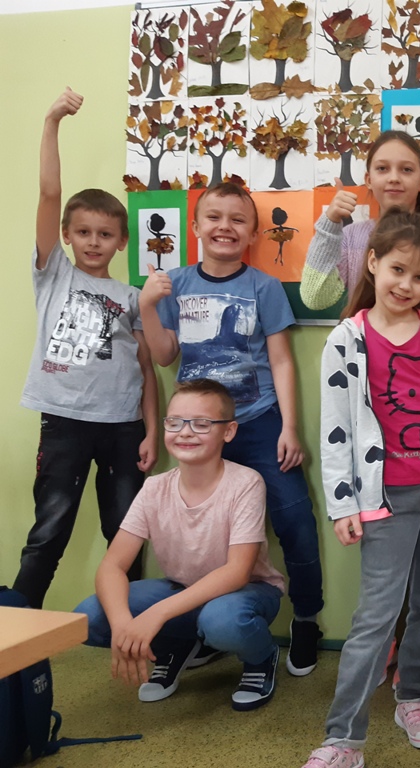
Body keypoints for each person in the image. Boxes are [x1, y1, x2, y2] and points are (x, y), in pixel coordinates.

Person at [303, 209, 420, 768]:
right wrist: (342, 503)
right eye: (397, 270)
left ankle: (413, 698)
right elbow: (335, 429)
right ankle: (343, 740)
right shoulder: (346, 339)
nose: (407, 285)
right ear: (372, 263)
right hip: (382, 497)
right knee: (376, 617)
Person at [139, 181, 324, 677]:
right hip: (198, 431)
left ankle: (307, 618)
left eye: (238, 220)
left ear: (253, 233)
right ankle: (203, 626)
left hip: (259, 422)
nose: (225, 227)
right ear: (196, 227)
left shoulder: (263, 287)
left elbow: (281, 361)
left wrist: (289, 427)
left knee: (295, 520)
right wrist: (147, 307)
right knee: (202, 531)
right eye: (215, 217)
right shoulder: (174, 284)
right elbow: (164, 355)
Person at [14, 87, 158, 609]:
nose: (94, 242)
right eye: (83, 232)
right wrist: (52, 120)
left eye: (105, 234)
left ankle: (131, 625)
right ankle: (20, 621)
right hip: (64, 422)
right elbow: (49, 193)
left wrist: (152, 431)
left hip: (122, 427)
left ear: (122, 241)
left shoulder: (133, 297)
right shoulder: (53, 275)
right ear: (66, 236)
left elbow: (146, 368)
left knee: (126, 532)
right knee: (50, 528)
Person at [75, 379, 285, 711]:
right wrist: (123, 626)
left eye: (201, 423)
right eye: (174, 422)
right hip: (181, 589)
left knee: (221, 621)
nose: (185, 432)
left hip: (247, 592)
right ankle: (175, 647)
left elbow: (237, 572)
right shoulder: (154, 488)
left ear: (228, 431)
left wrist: (156, 615)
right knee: (88, 616)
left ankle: (261, 657)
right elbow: (112, 566)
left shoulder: (246, 483)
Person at [300, 130, 420, 328]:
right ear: (369, 179)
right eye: (382, 168)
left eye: (406, 170)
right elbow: (315, 298)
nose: (394, 178)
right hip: (360, 347)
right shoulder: (351, 237)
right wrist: (330, 222)